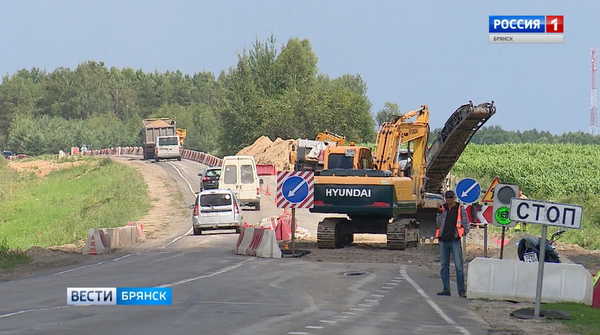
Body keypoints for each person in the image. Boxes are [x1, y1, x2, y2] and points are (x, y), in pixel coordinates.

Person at [435, 190, 469, 297]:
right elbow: (438, 223)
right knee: (444, 266)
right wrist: (439, 213)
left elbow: (466, 223)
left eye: (450, 197)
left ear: (454, 198)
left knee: (459, 266)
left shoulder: (460, 209)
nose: (449, 200)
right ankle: (446, 289)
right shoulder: (443, 209)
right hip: (444, 240)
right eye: (447, 198)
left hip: (454, 240)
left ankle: (461, 290)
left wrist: (462, 234)